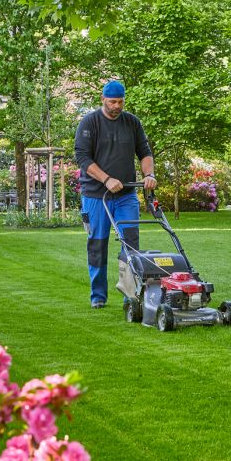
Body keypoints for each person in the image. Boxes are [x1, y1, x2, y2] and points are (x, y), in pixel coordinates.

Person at [74, 80, 157, 309]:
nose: (117, 106)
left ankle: (130, 296)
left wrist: (149, 174)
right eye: (112, 101)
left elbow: (145, 153)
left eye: (120, 101)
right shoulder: (89, 122)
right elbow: (83, 158)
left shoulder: (132, 122)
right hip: (95, 195)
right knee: (97, 243)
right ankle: (98, 296)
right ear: (103, 99)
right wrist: (107, 179)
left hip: (126, 194)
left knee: (130, 244)